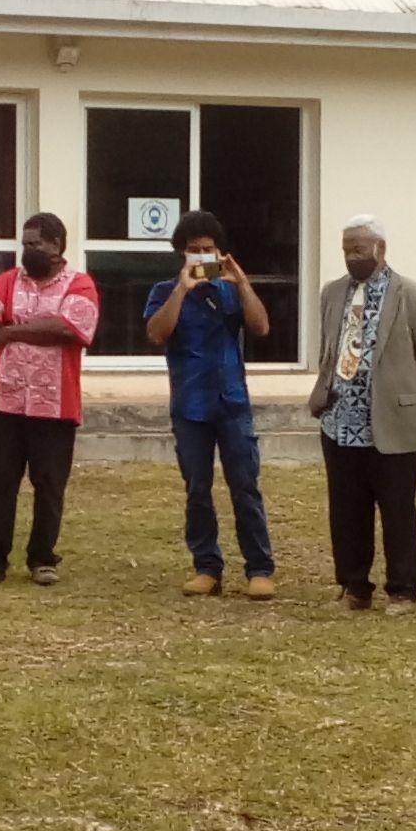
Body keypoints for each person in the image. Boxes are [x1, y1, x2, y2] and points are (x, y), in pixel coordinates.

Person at [307, 216, 416, 612]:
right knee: (346, 510)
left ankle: (402, 590)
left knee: (398, 509)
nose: (352, 257)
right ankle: (354, 587)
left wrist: (405, 398)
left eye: (360, 249)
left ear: (381, 250)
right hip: (340, 423)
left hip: (391, 423)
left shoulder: (414, 296)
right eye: (347, 249)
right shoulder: (332, 293)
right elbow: (328, 350)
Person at [0, 212, 99, 587]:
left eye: (34, 244)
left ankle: (42, 558)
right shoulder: (7, 282)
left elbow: (69, 328)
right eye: (24, 243)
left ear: (56, 246)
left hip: (55, 404)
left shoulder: (79, 286)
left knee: (49, 484)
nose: (27, 251)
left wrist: (12, 332)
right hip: (6, 401)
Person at [143, 209, 274, 599]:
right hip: (189, 405)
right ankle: (206, 566)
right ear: (181, 254)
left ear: (221, 253)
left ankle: (260, 568)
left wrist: (242, 282)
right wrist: (182, 290)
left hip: (232, 402)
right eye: (193, 251)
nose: (201, 257)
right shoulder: (165, 291)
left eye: (208, 250)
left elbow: (261, 326)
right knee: (197, 488)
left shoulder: (231, 289)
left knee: (245, 486)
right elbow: (156, 333)